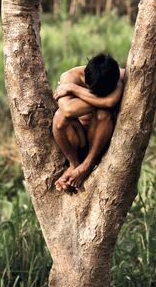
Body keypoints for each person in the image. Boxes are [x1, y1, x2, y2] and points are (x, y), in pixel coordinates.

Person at [52, 53, 125, 191]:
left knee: (103, 113)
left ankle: (87, 165)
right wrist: (103, 101)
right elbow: (68, 110)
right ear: (86, 80)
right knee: (59, 116)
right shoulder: (69, 77)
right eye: (93, 92)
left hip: (100, 141)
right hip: (76, 139)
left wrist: (73, 89)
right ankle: (74, 164)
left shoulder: (118, 75)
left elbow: (110, 102)